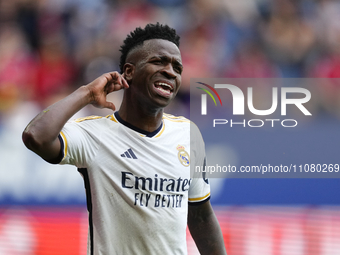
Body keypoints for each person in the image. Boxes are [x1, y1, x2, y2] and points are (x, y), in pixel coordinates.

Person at [23, 23, 226, 255]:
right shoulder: (94, 135)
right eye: (159, 61)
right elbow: (35, 135)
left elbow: (201, 215)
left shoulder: (188, 134)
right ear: (129, 71)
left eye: (177, 67)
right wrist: (87, 93)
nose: (171, 71)